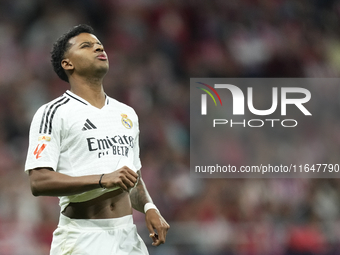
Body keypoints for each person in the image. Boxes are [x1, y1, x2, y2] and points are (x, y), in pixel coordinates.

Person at [25, 24, 170, 255]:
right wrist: (103, 179)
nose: (98, 48)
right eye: (86, 46)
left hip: (127, 238)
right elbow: (39, 182)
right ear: (67, 63)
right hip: (82, 239)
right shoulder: (53, 113)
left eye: (99, 45)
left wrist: (149, 207)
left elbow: (132, 178)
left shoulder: (127, 114)